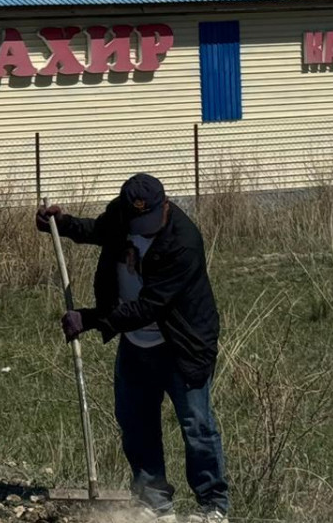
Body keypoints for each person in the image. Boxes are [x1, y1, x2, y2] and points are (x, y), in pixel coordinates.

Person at [36, 173, 229, 523]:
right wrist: (60, 225)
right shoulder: (122, 217)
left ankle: (213, 507)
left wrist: (91, 319)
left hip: (182, 345)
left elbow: (150, 306)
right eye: (138, 221)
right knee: (136, 422)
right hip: (136, 345)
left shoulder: (183, 242)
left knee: (196, 426)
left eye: (151, 219)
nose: (145, 227)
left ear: (165, 205)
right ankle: (155, 504)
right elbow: (98, 230)